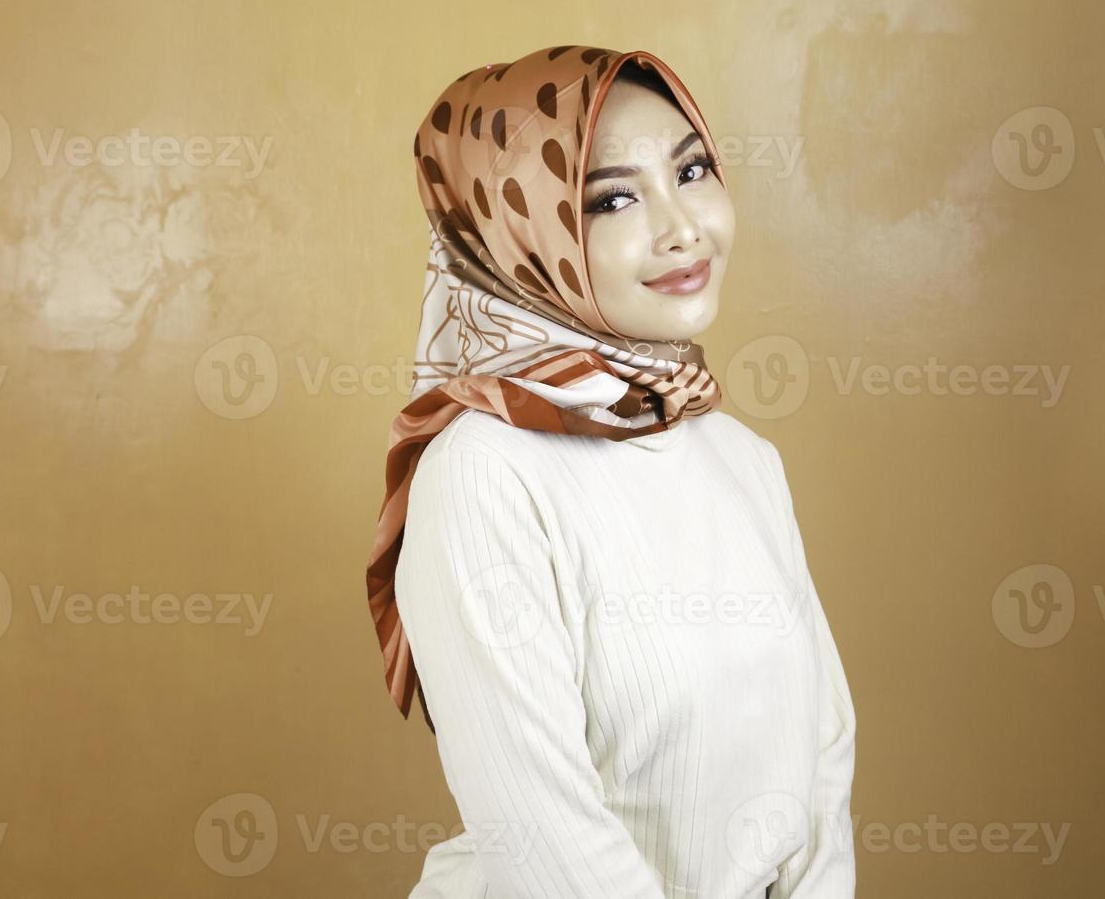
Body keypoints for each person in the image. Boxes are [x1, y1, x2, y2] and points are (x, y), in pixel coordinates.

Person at [365, 44, 856, 898]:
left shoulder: (741, 457)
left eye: (692, 169)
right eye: (614, 198)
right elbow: (544, 837)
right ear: (518, 232)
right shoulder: (483, 473)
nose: (682, 227)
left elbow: (821, 753)